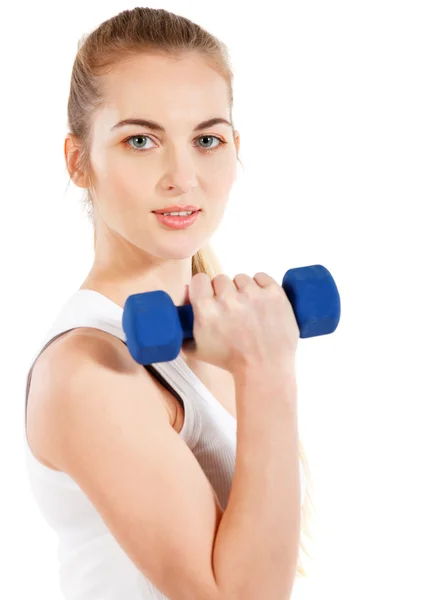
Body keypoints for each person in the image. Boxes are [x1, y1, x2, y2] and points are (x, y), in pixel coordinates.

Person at [24, 7, 313, 600]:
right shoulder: (88, 371)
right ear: (80, 161)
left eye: (207, 140)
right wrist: (268, 373)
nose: (182, 176)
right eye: (140, 140)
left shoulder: (222, 334)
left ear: (236, 149)